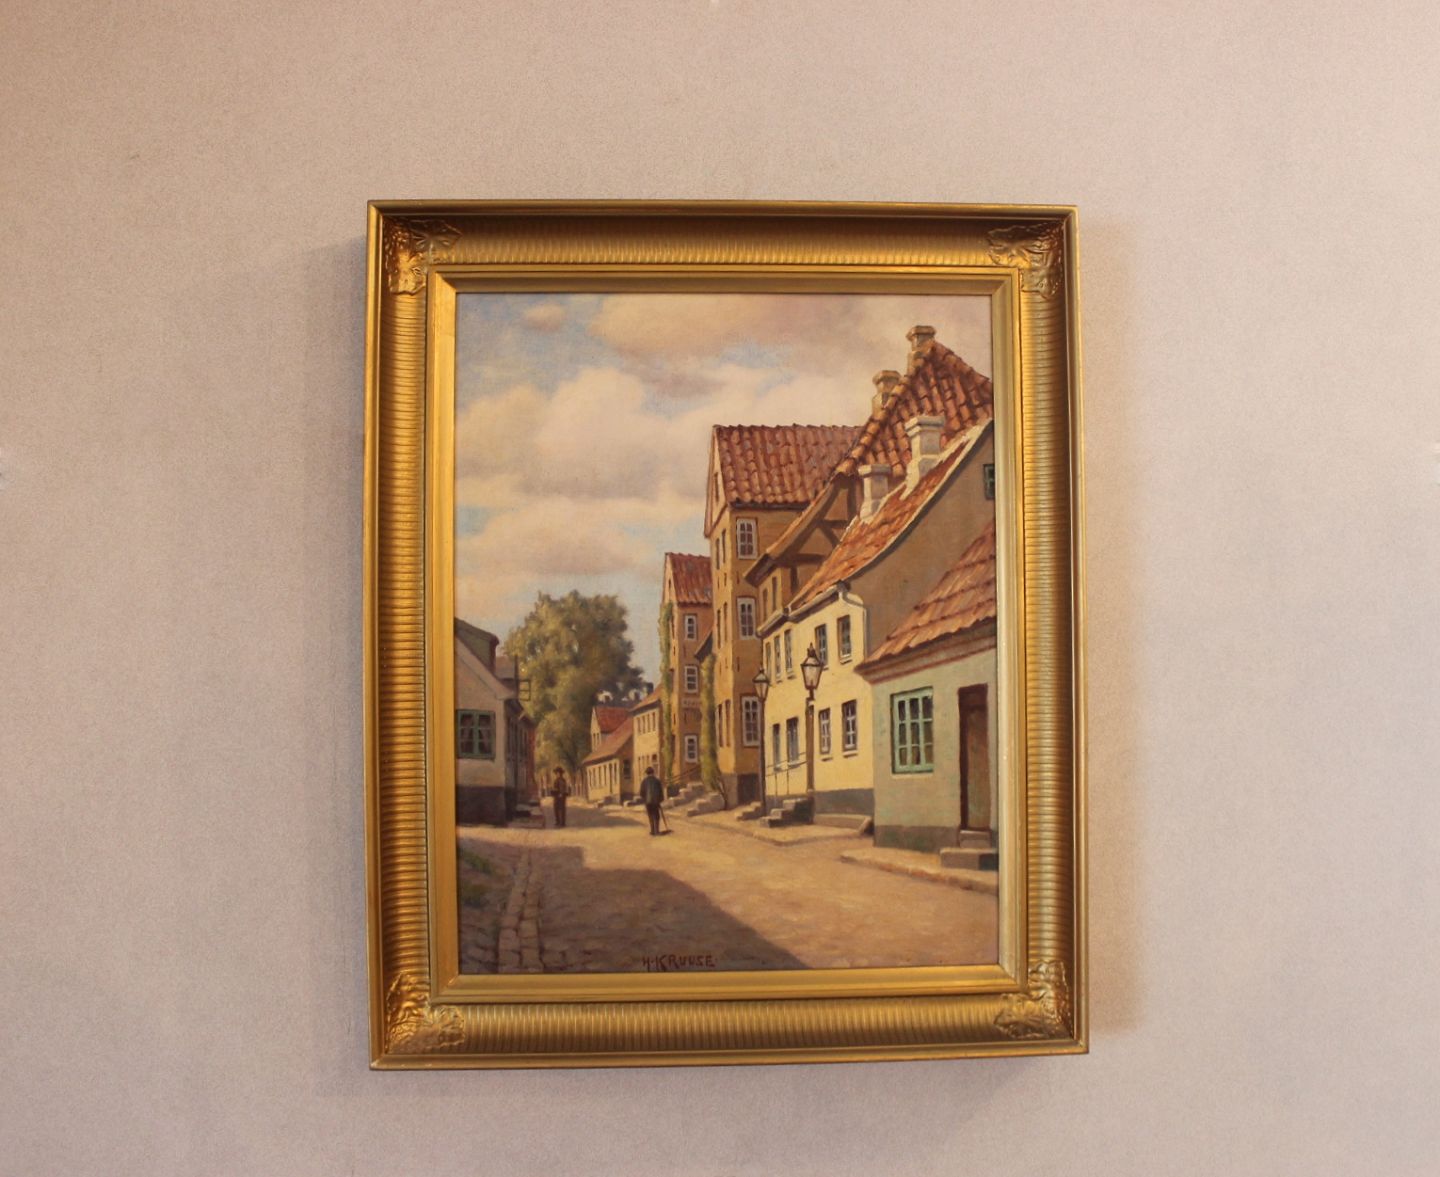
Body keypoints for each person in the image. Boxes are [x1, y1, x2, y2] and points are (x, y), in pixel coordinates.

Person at [640, 763, 665, 836]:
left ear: (647, 773)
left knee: (650, 816)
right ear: (653, 772)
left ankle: (652, 831)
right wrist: (660, 800)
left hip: (648, 802)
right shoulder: (657, 781)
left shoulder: (644, 781)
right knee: (656, 816)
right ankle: (657, 831)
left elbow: (641, 793)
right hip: (655, 802)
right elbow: (660, 791)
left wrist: (645, 799)